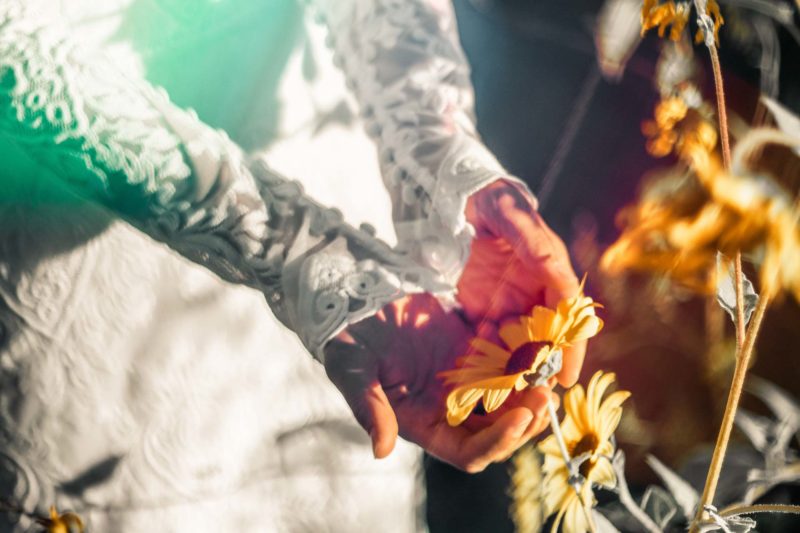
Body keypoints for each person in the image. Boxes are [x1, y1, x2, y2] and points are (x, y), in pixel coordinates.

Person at [0, 0, 582, 530]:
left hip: (338, 192)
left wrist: (439, 156)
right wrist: (300, 255)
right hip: (93, 248)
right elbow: (15, 52)